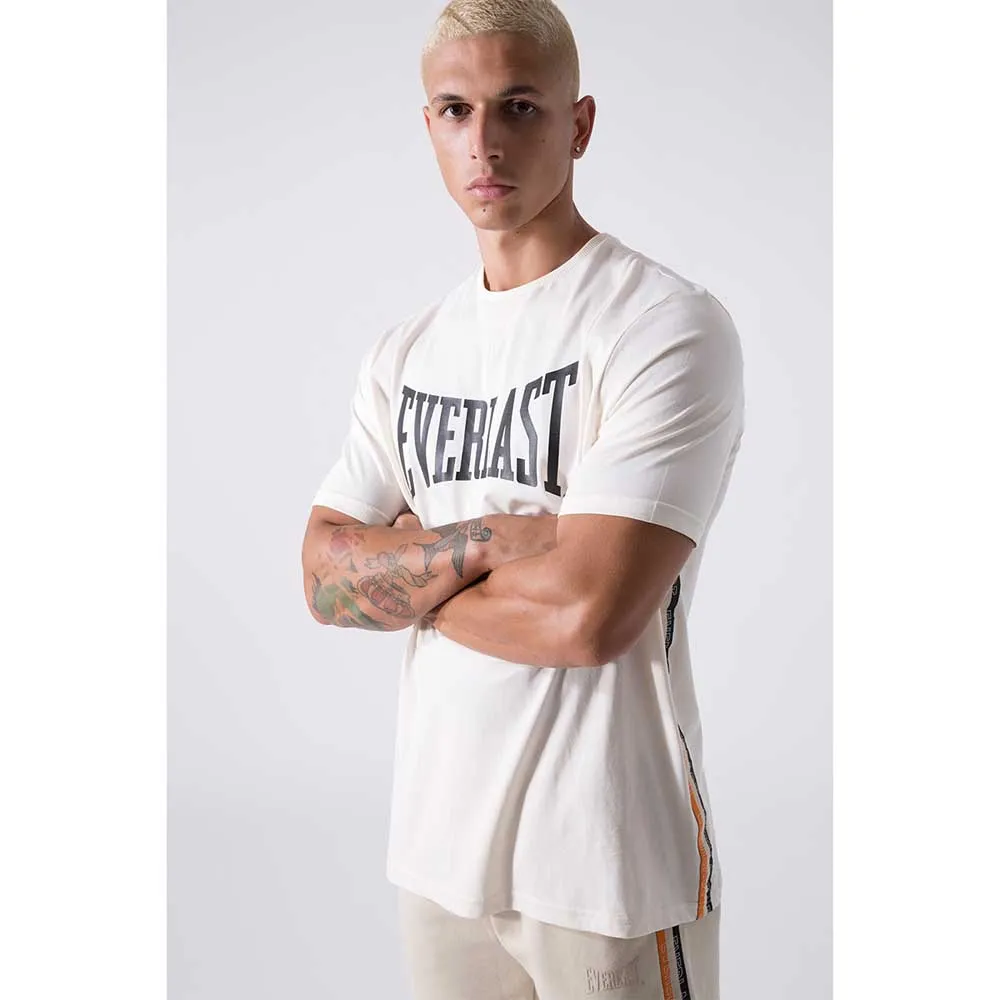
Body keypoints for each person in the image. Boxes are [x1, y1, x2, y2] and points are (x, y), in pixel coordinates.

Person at [300, 1, 745, 997]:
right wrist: (501, 540)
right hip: (438, 855)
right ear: (429, 126)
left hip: (607, 863)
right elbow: (323, 581)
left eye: (519, 107)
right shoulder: (405, 353)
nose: (484, 141)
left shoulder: (661, 326)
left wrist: (411, 572)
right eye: (456, 110)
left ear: (578, 124)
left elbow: (590, 614)